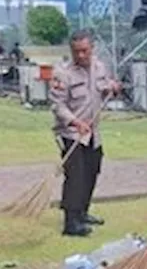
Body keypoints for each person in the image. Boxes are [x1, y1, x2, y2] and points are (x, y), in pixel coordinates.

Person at [51, 29, 119, 237]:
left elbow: (104, 88)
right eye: (76, 52)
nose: (81, 55)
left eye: (84, 51)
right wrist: (75, 122)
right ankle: (70, 223)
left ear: (92, 48)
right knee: (75, 177)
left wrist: (112, 88)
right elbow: (57, 106)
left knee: (92, 171)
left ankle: (83, 212)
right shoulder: (62, 72)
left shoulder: (99, 67)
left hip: (93, 133)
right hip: (71, 134)